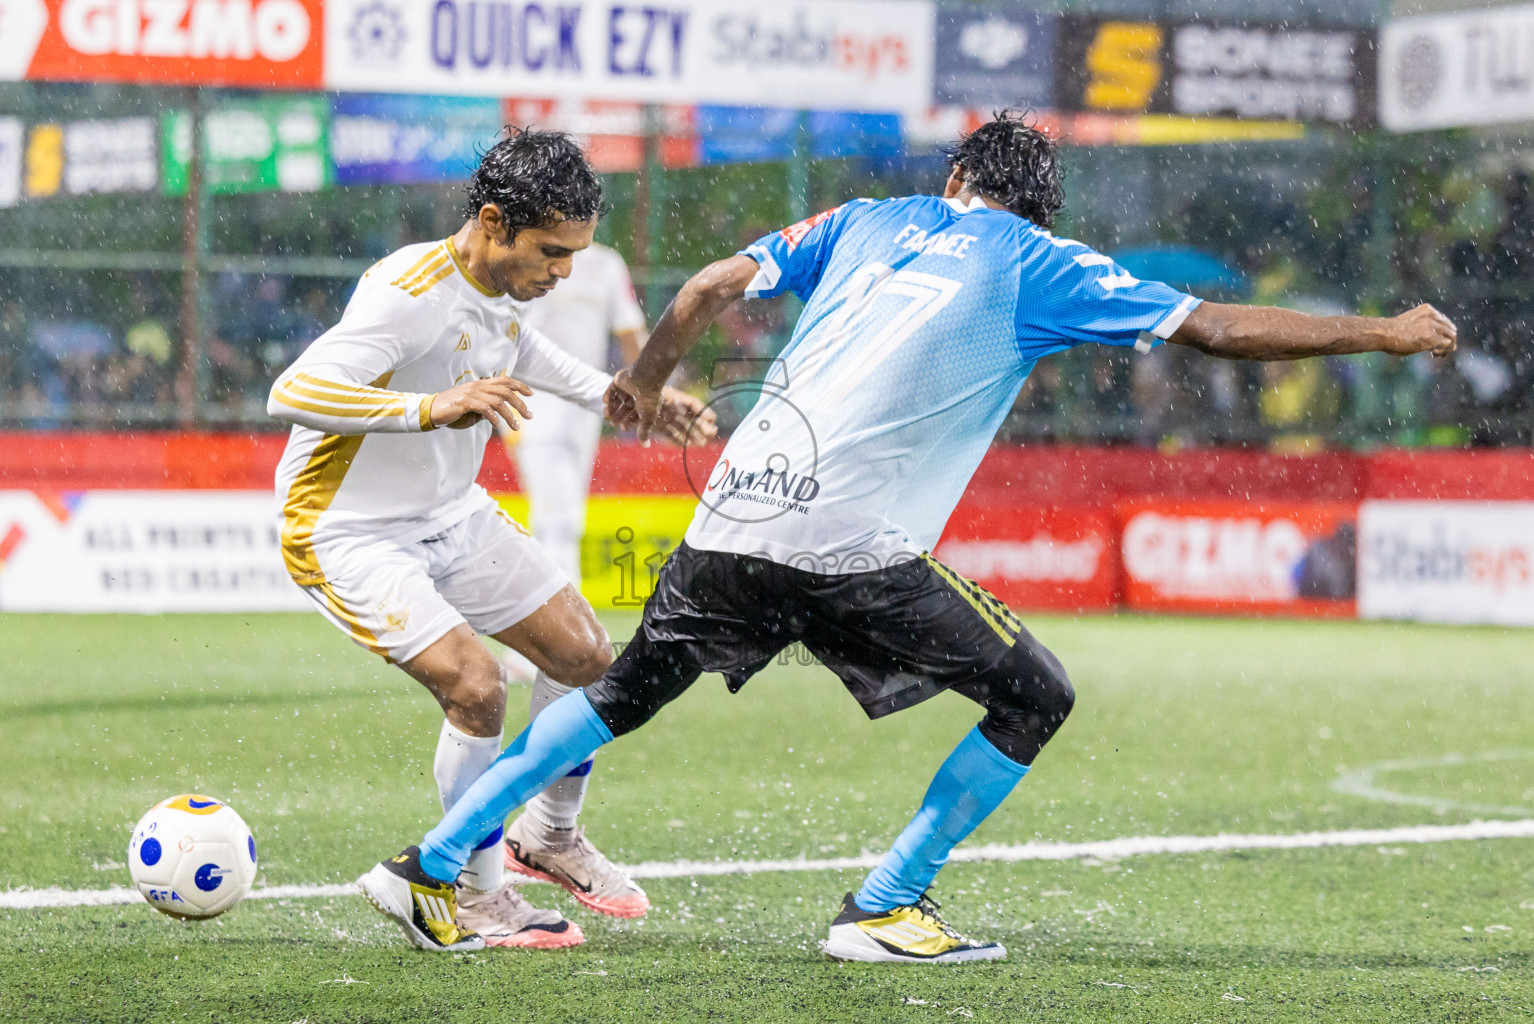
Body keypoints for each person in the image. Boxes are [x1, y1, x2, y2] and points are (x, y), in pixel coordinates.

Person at [359, 113, 1456, 959]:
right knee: (1035, 694)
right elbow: (1212, 327)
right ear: (1035, 207)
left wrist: (644, 387)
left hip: (734, 510)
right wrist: (1382, 332)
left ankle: (438, 860)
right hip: (850, 542)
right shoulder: (1040, 261)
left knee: (622, 692)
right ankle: (886, 904)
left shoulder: (865, 219)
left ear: (952, 182)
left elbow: (700, 287)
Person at [270, 128, 712, 952]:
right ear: (492, 219)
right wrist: (428, 406)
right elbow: (290, 390)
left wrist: (619, 395)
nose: (565, 271)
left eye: (575, 253)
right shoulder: (409, 290)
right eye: (552, 251)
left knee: (585, 658)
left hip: (450, 512)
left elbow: (518, 343)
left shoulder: (508, 286)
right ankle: (476, 894)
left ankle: (547, 834)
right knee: (477, 688)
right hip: (347, 530)